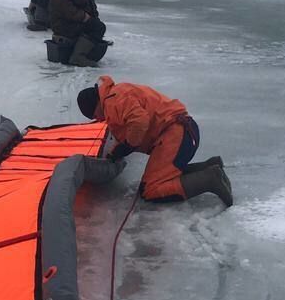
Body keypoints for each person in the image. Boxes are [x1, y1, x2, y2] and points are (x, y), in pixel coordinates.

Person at [76, 75, 233, 206]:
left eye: (95, 115)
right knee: (157, 180)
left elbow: (139, 122)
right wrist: (115, 152)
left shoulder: (114, 101)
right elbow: (127, 129)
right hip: (181, 132)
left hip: (176, 134)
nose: (98, 118)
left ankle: (210, 179)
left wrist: (129, 145)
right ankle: (209, 166)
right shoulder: (117, 95)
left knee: (150, 190)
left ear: (95, 105)